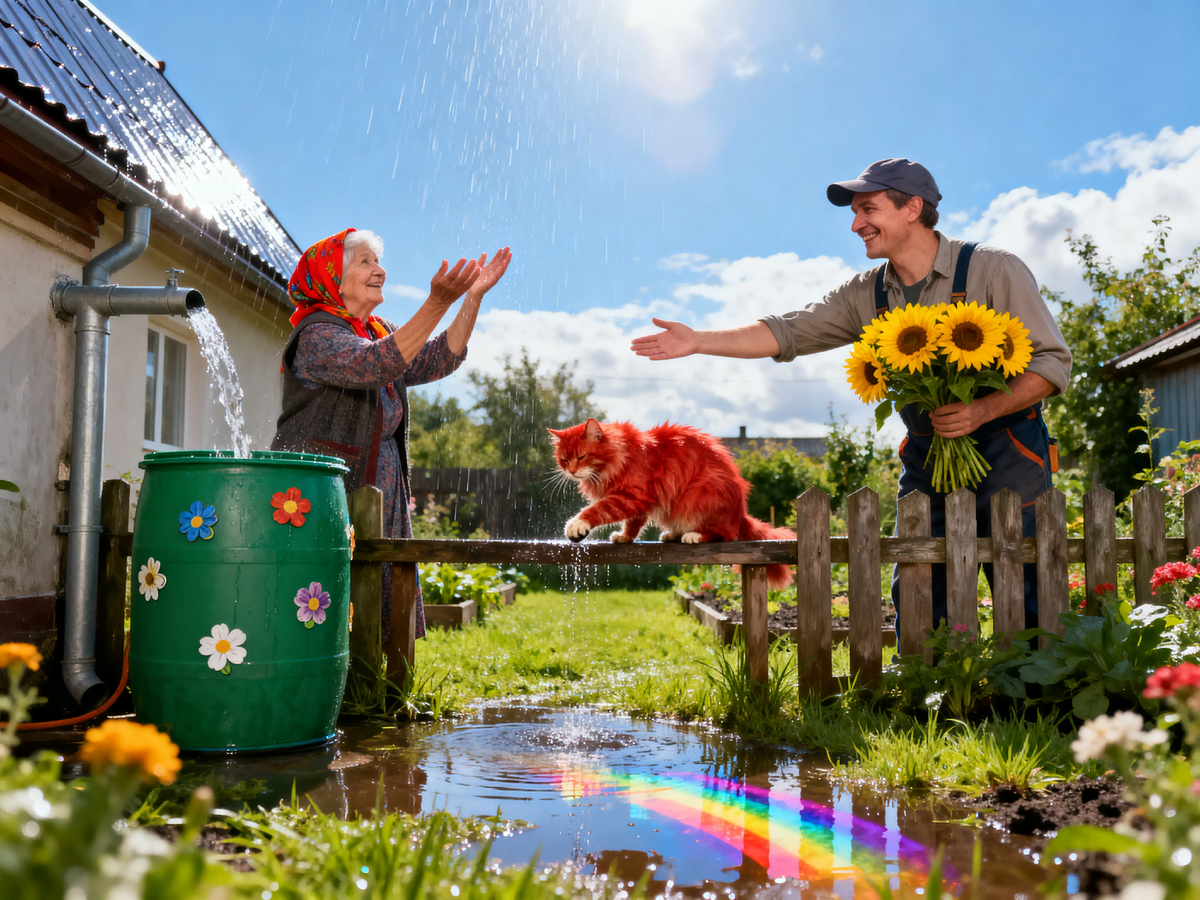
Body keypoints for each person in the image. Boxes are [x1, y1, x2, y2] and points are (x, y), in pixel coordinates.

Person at [631, 158, 1071, 634]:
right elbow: (788, 332)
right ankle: (928, 697)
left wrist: (982, 408)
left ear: (913, 208)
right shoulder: (866, 293)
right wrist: (699, 340)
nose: (857, 224)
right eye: (855, 212)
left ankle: (1038, 700)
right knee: (920, 583)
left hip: (1009, 448)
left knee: (1026, 583)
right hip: (929, 454)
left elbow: (1051, 363)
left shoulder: (992, 269)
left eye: (868, 209)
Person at [272, 228, 512, 640]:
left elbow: (439, 358)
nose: (379, 270)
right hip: (328, 489)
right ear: (331, 277)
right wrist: (437, 302)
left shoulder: (377, 329)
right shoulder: (316, 334)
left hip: (382, 483)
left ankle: (381, 686)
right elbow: (375, 365)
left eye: (378, 261)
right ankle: (336, 685)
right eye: (364, 262)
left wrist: (471, 298)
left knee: (382, 590)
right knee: (326, 596)